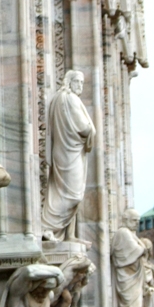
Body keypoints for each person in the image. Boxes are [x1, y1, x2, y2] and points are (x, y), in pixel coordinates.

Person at [41, 70, 95, 241]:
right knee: (73, 195)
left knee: (68, 192)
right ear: (69, 82)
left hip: (65, 151)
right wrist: (92, 129)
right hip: (68, 153)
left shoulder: (60, 98)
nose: (80, 86)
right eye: (77, 81)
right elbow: (84, 128)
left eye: (82, 82)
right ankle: (47, 227)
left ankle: (69, 234)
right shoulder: (70, 98)